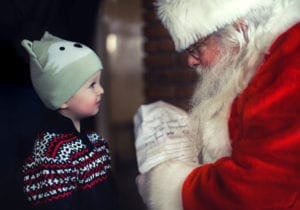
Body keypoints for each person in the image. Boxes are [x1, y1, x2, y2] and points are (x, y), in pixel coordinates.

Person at [135, 0, 300, 209]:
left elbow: (259, 190)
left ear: (238, 26)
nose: (191, 62)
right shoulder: (261, 60)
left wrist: (171, 186)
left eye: (196, 47)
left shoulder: (290, 60)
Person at [20, 31, 118, 210]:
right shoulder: (51, 155)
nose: (101, 90)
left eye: (99, 82)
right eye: (92, 85)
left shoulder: (96, 143)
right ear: (62, 98)